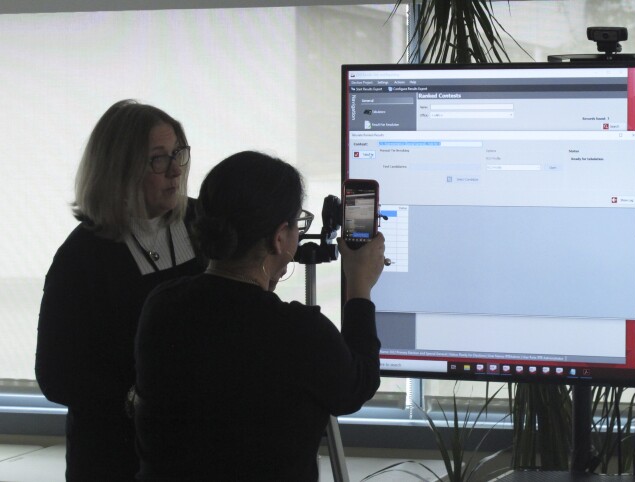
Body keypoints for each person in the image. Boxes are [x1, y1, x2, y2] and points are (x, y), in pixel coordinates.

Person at [133, 151, 385, 480]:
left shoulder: (162, 305)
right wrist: (360, 286)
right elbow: (358, 385)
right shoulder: (299, 333)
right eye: (298, 222)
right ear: (280, 237)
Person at [36, 99, 205, 480]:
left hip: (195, 448)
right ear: (120, 168)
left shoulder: (203, 223)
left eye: (178, 153)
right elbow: (56, 374)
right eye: (158, 159)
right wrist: (135, 401)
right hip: (115, 454)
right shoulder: (82, 257)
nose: (176, 170)